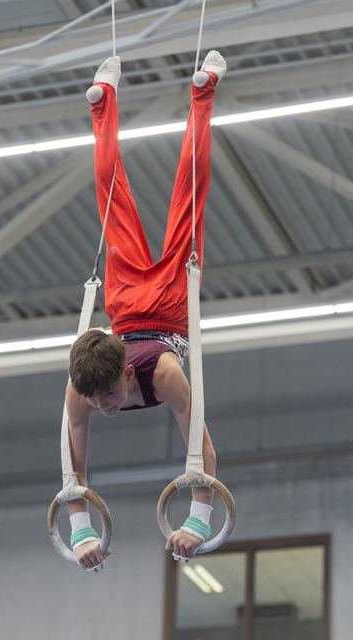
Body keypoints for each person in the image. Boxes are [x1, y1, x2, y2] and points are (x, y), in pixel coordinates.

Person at [66, 50, 227, 571]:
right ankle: (179, 91)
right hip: (154, 303)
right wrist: (80, 532)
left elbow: (199, 454)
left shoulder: (164, 373)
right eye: (96, 398)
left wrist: (198, 521)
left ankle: (117, 100)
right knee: (185, 194)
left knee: (138, 198)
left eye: (108, 395)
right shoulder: (81, 388)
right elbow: (71, 468)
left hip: (138, 306)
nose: (104, 407)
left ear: (125, 373)